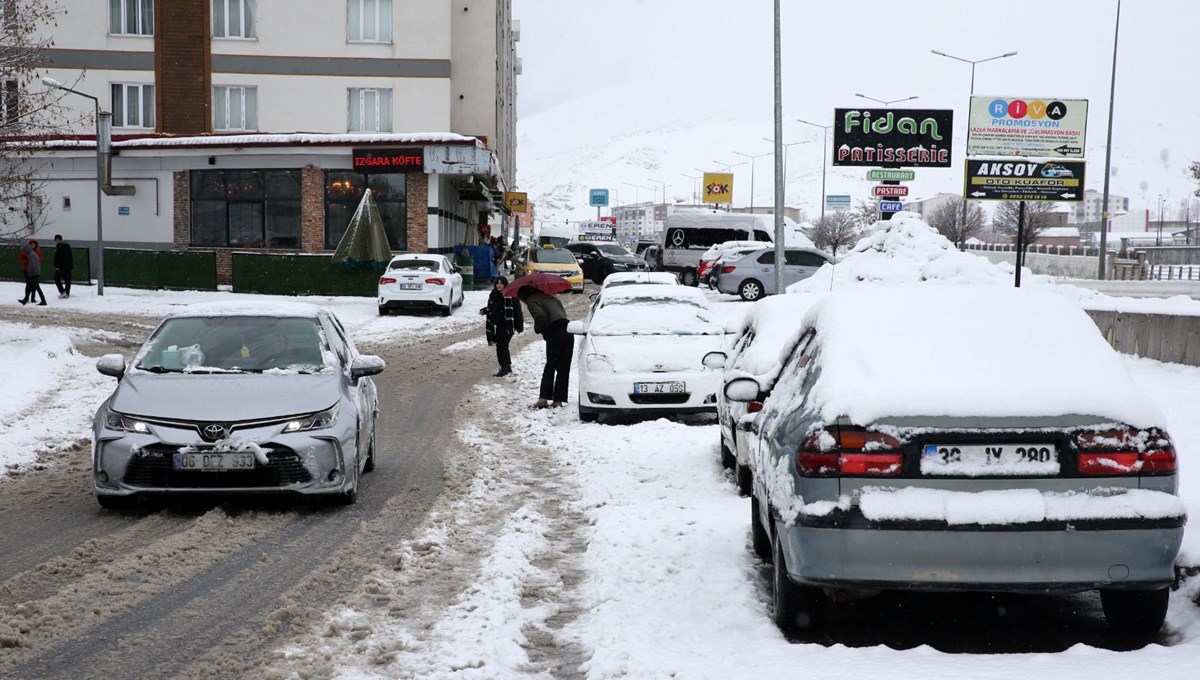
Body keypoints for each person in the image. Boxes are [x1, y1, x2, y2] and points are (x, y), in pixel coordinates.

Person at [518, 286, 573, 409]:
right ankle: (558, 400)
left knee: (550, 366)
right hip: (568, 330)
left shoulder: (532, 301)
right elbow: (562, 313)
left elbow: (540, 317)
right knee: (563, 367)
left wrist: (539, 329)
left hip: (555, 333)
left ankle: (543, 398)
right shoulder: (551, 298)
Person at [479, 276, 523, 377]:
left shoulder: (511, 295)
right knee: (503, 346)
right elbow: (494, 308)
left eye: (501, 283)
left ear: (505, 284)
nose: (499, 285)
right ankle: (507, 366)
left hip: (508, 326)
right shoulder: (494, 295)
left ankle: (504, 367)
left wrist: (519, 326)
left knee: (501, 346)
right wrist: (485, 311)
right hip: (498, 326)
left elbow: (517, 311)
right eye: (497, 283)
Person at [17, 238, 47, 306]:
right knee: (32, 286)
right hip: (34, 273)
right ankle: (27, 299)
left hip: (32, 274)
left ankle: (42, 300)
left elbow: (33, 265)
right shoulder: (33, 254)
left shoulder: (31, 255)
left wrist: (30, 272)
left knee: (35, 287)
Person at [53, 234, 73, 299]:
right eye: (56, 240)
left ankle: (63, 292)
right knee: (67, 280)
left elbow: (60, 258)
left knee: (58, 279)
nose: (57, 241)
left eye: (58, 240)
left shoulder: (61, 247)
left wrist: (58, 266)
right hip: (66, 266)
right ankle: (66, 292)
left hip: (62, 267)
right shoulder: (65, 246)